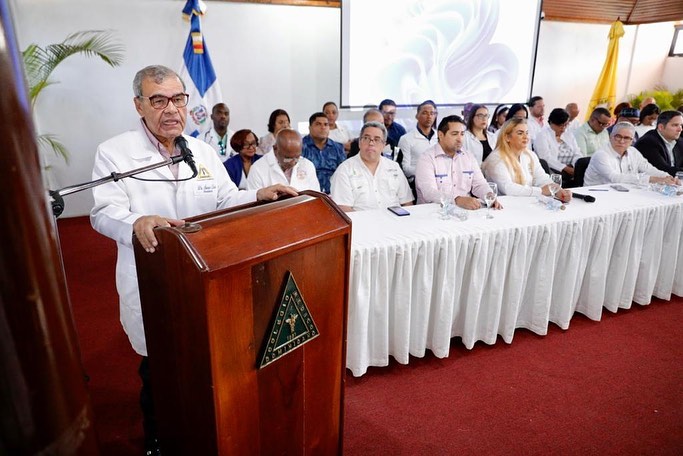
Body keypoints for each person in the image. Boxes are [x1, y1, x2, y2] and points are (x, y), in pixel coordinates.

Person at [89, 65, 297, 456]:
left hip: (207, 273)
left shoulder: (200, 151)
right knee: (159, 369)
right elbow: (101, 213)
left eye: (178, 99)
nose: (171, 109)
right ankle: (157, 438)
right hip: (152, 276)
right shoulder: (114, 152)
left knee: (205, 360)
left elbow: (223, 200)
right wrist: (138, 221)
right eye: (159, 100)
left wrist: (257, 196)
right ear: (139, 105)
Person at [415, 115, 502, 210]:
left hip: (465, 211)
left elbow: (479, 184)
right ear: (440, 135)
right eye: (454, 134)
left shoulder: (468, 156)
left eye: (462, 134)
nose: (459, 139)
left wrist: (489, 195)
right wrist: (457, 200)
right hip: (434, 212)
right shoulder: (427, 158)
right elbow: (429, 192)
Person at [482, 118, 572, 201]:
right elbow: (508, 188)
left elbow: (541, 178)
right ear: (507, 137)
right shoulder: (495, 160)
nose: (526, 137)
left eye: (527, 133)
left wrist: (557, 190)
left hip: (526, 203)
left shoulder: (530, 155)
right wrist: (540, 191)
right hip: (504, 207)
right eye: (520, 133)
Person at [330, 121, 412, 212]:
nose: (371, 143)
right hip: (361, 224)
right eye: (366, 138)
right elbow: (343, 208)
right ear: (359, 142)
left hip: (395, 222)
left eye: (376, 139)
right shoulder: (345, 169)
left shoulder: (394, 167)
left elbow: (407, 202)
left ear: (383, 145)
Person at [583, 122, 677, 186]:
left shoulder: (633, 152)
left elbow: (649, 169)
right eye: (618, 136)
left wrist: (667, 177)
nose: (621, 141)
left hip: (623, 195)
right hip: (597, 197)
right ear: (611, 136)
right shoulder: (601, 155)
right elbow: (615, 178)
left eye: (627, 138)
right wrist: (652, 179)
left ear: (632, 141)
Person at [247, 129, 320, 191]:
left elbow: (316, 197)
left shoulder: (307, 165)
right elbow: (254, 205)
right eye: (288, 158)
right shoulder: (257, 169)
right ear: (275, 149)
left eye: (297, 157)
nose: (293, 162)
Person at [533, 108, 585, 186]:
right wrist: (565, 168)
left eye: (566, 125)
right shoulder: (542, 135)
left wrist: (576, 166)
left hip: (572, 169)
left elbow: (576, 152)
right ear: (551, 123)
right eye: (560, 125)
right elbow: (546, 158)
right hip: (554, 171)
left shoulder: (568, 134)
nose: (563, 128)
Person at [301, 112, 346, 193]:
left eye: (326, 124)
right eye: (318, 124)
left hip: (334, 193)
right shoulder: (300, 147)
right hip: (307, 193)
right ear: (310, 128)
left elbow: (344, 173)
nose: (323, 127)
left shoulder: (338, 148)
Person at [398, 99, 439, 182]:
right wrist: (427, 171)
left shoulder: (440, 137)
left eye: (432, 113)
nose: (429, 116)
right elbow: (405, 169)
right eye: (425, 113)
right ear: (417, 116)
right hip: (417, 182)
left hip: (440, 180)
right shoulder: (406, 139)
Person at [634, 110, 683, 176]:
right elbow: (662, 170)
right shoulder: (647, 142)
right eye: (675, 125)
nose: (680, 129)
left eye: (681, 125)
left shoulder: (679, 142)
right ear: (661, 127)